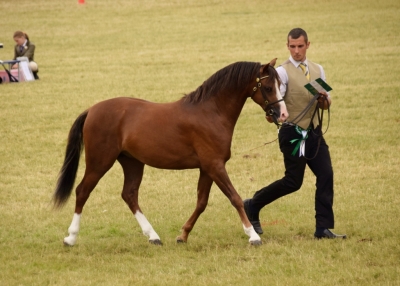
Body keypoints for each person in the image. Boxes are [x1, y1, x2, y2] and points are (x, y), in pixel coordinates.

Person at [243, 28, 346, 239]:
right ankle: (252, 204)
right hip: (293, 134)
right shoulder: (281, 72)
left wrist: (323, 100)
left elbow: (328, 103)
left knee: (326, 175)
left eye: (300, 46)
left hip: (314, 132)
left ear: (308, 45)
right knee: (293, 182)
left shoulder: (318, 70)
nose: (296, 51)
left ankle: (323, 229)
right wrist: (272, 115)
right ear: (288, 46)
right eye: (292, 46)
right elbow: (272, 98)